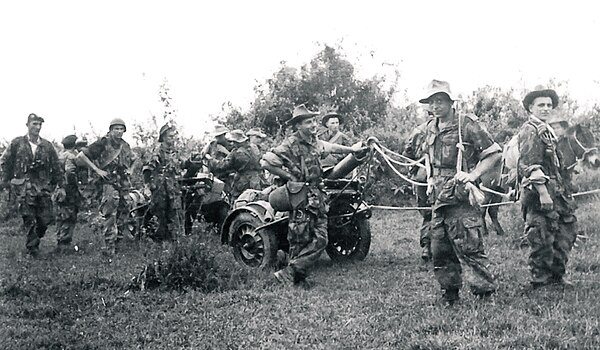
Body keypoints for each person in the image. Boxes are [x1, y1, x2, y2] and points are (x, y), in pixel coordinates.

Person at [261, 104, 364, 288]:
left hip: (317, 195)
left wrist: (352, 150)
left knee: (321, 238)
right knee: (300, 237)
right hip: (300, 195)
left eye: (314, 121)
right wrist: (289, 176)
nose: (313, 125)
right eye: (308, 122)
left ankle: (290, 273)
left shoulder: (314, 141)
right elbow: (266, 162)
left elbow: (332, 148)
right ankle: (296, 279)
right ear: (298, 126)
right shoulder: (290, 144)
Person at [419, 80, 501, 305]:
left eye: (440, 100)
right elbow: (427, 154)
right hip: (438, 195)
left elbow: (494, 153)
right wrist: (429, 177)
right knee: (440, 246)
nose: (435, 106)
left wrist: (473, 175)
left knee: (469, 243)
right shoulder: (430, 127)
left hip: (461, 192)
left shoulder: (467, 124)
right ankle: (449, 292)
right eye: (431, 102)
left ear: (450, 101)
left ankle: (484, 293)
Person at [518, 85, 577, 289]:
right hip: (540, 194)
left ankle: (557, 277)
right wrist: (543, 194)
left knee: (564, 235)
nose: (545, 108)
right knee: (541, 236)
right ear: (530, 108)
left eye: (549, 105)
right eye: (540, 105)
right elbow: (529, 165)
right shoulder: (529, 130)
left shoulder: (548, 130)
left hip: (558, 192)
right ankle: (540, 281)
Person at [0, 113, 64, 257]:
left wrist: (60, 184)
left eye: (39, 124)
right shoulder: (17, 143)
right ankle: (32, 248)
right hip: (24, 187)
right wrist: (8, 180)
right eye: (34, 124)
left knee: (45, 219)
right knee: (29, 217)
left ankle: (37, 237)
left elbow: (57, 165)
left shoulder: (47, 145)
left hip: (43, 187)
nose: (37, 127)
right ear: (27, 125)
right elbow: (4, 161)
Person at [76, 118, 135, 256]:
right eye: (116, 129)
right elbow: (82, 156)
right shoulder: (103, 143)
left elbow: (134, 159)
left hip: (123, 184)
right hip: (108, 183)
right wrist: (97, 170)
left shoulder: (125, 145)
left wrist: (131, 170)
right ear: (111, 130)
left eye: (121, 129)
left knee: (124, 212)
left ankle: (118, 243)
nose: (119, 131)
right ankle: (109, 248)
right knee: (110, 214)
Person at [142, 123, 184, 242]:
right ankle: (159, 240)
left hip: (173, 188)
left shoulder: (175, 152)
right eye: (170, 136)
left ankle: (176, 241)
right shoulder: (157, 151)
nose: (172, 139)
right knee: (160, 215)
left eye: (173, 136)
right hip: (160, 189)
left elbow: (181, 165)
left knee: (176, 213)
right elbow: (147, 169)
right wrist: (147, 187)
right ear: (164, 137)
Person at [402, 118, 432, 261]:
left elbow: (407, 153)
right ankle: (428, 245)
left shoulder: (418, 131)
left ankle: (430, 246)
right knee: (430, 212)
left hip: (424, 177)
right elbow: (408, 153)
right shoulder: (419, 131)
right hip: (426, 177)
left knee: (430, 212)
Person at [210, 129, 262, 200]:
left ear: (236, 142)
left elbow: (222, 165)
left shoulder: (236, 153)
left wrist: (211, 160)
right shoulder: (254, 148)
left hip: (243, 182)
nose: (232, 144)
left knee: (237, 202)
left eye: (233, 142)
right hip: (257, 180)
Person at [55, 134, 83, 253]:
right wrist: (77, 186)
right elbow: (70, 173)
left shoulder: (60, 155)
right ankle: (64, 245)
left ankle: (60, 241)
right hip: (69, 190)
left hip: (59, 189)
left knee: (61, 216)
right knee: (69, 216)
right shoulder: (72, 157)